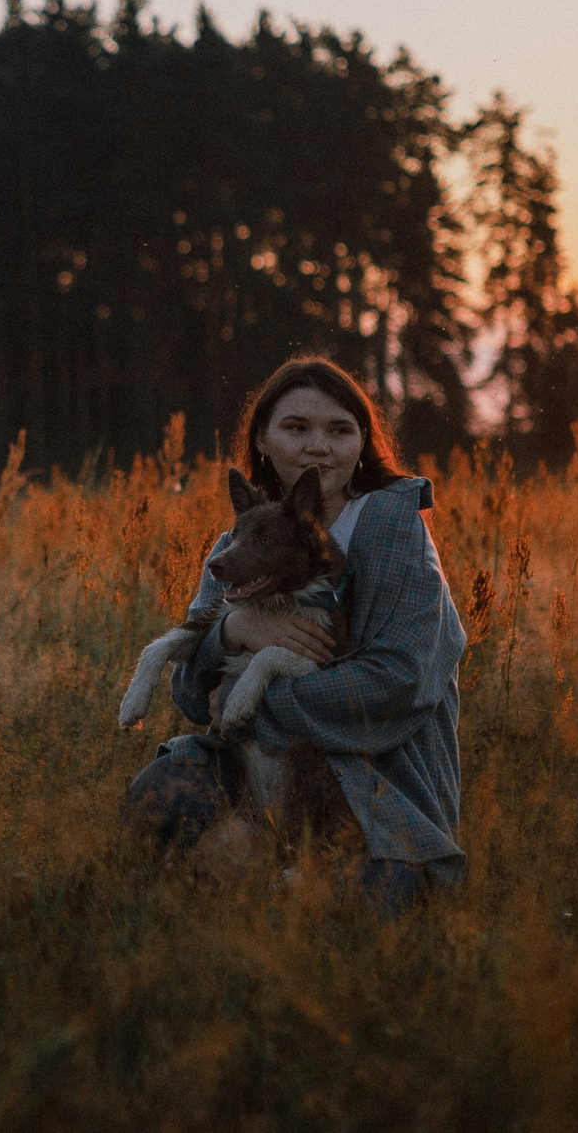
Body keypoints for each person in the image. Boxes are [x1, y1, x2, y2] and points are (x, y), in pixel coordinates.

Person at [121, 355, 467, 917]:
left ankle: (260, 866)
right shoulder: (237, 545)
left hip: (372, 774)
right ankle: (241, 870)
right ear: (261, 440)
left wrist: (251, 702)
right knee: (158, 801)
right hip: (252, 766)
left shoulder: (390, 525)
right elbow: (189, 696)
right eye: (296, 428)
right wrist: (235, 630)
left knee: (362, 905)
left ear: (362, 443)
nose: (318, 447)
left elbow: (400, 682)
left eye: (339, 430)